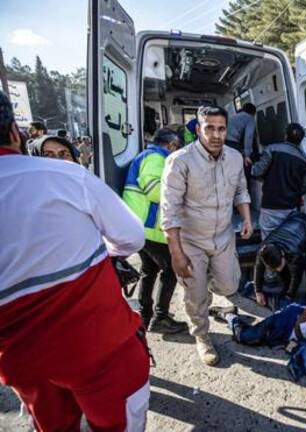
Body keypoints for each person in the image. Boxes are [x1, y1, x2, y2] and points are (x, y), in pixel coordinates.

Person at [0, 90, 150, 431]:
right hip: (101, 350)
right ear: (14, 132)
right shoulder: (67, 178)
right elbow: (131, 238)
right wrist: (95, 250)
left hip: (24, 363)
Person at [161, 105, 253, 366]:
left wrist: (246, 218)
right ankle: (202, 336)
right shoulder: (180, 161)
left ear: (227, 130)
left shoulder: (235, 158)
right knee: (194, 295)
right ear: (198, 129)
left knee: (229, 286)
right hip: (191, 241)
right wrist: (177, 254)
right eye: (209, 128)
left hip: (224, 237)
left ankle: (206, 285)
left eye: (221, 128)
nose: (215, 134)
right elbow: (170, 211)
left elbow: (241, 190)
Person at [123, 127, 188, 334]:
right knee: (171, 268)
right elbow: (154, 191)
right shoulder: (156, 158)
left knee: (149, 270)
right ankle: (160, 317)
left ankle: (145, 314)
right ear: (171, 146)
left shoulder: (147, 156)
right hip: (150, 228)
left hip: (140, 227)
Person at [251, 123, 306, 239]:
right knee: (285, 240)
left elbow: (256, 172)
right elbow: (303, 188)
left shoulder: (272, 149)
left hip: (270, 206)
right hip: (290, 208)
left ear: (285, 136)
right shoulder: (304, 161)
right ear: (300, 141)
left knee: (268, 241)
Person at [252, 211, 306, 307]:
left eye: (278, 265)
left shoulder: (294, 252)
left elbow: (296, 277)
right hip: (293, 220)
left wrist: (289, 296)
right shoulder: (263, 251)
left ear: (282, 253)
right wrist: (258, 291)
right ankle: (286, 285)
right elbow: (258, 268)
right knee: (284, 272)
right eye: (275, 267)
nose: (278, 269)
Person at [226, 102, 257, 167]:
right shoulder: (250, 118)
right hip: (232, 143)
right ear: (253, 112)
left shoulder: (234, 116)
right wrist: (247, 155)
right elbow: (249, 137)